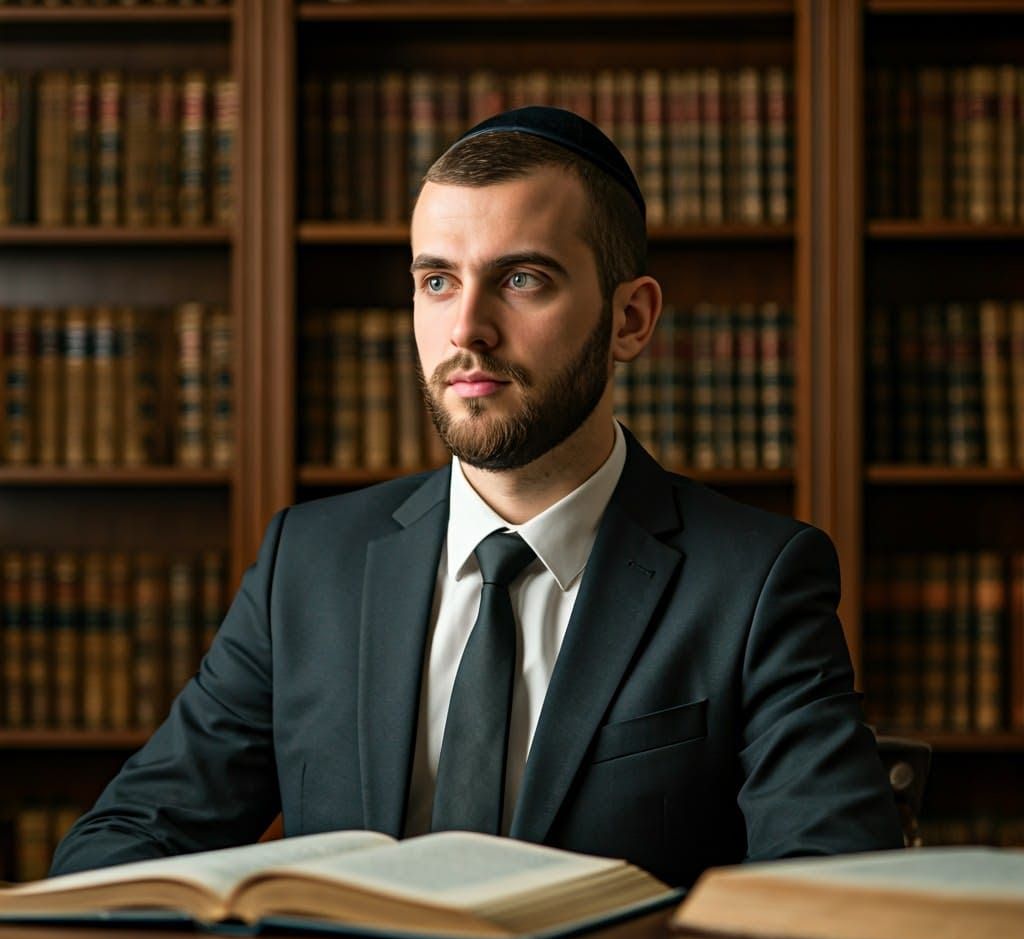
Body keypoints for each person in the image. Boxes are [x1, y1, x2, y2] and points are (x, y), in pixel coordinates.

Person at [51, 107, 902, 887]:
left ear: (631, 320)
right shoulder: (307, 564)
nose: (467, 330)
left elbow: (831, 893)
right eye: (437, 281)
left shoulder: (755, 583)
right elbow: (126, 843)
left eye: (523, 279)